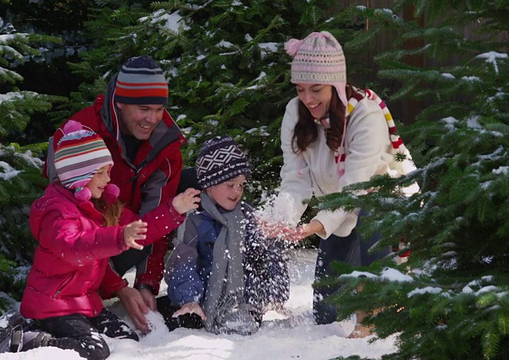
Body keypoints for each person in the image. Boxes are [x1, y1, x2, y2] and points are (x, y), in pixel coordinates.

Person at [0, 121, 200, 359]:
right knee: (95, 350)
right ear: (79, 176)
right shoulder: (58, 212)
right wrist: (118, 237)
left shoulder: (100, 204)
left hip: (84, 303)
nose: (108, 179)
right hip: (54, 306)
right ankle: (22, 337)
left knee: (127, 338)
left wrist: (175, 209)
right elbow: (74, 247)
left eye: (108, 171)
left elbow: (141, 230)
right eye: (101, 173)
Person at [264, 31, 418, 337]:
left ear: (335, 85)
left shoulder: (365, 115)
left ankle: (379, 307)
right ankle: (362, 299)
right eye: (300, 89)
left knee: (375, 205)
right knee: (327, 313)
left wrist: (313, 227)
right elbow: (295, 179)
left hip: (383, 204)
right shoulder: (295, 113)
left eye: (316, 89)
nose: (307, 99)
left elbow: (356, 188)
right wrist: (281, 218)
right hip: (339, 209)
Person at [44, 55, 193, 333]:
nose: (152, 119)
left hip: (128, 236)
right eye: (144, 109)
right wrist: (118, 288)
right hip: (85, 242)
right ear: (120, 103)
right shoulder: (78, 136)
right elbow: (70, 221)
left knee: (192, 185)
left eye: (159, 109)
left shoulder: (166, 147)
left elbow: (154, 224)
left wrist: (147, 283)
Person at [163, 136, 290, 335]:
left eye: (242, 185)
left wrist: (274, 294)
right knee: (183, 319)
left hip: (243, 301)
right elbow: (182, 262)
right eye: (230, 184)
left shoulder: (249, 217)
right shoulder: (193, 219)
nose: (237, 191)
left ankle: (245, 309)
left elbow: (268, 259)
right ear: (209, 184)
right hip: (202, 298)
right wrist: (189, 299)